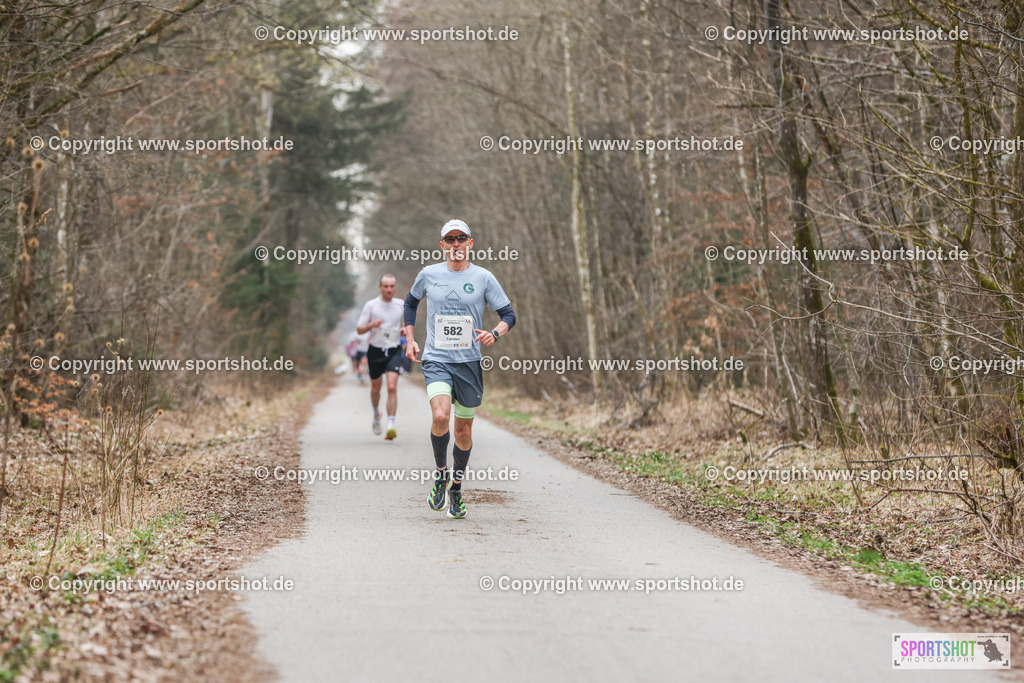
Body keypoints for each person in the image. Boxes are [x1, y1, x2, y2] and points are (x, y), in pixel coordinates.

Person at [404, 219, 516, 518]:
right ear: (442, 245)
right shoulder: (428, 274)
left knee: (463, 431)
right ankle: (441, 473)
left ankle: (455, 487)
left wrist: (495, 333)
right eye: (450, 240)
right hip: (437, 358)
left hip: (469, 363)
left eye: (461, 239)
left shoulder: (483, 277)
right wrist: (411, 338)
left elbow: (508, 313)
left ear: (470, 243)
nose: (455, 245)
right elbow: (410, 304)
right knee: (440, 414)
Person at [356, 274, 405, 439]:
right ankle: (377, 414)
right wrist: (371, 324)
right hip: (375, 350)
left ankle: (390, 424)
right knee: (376, 388)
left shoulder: (401, 305)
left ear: (395, 287)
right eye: (386, 286)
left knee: (392, 387)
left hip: (394, 350)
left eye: (392, 286)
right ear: (380, 287)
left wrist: (405, 331)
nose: (389, 289)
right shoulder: (371, 305)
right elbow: (359, 329)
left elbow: (407, 325)